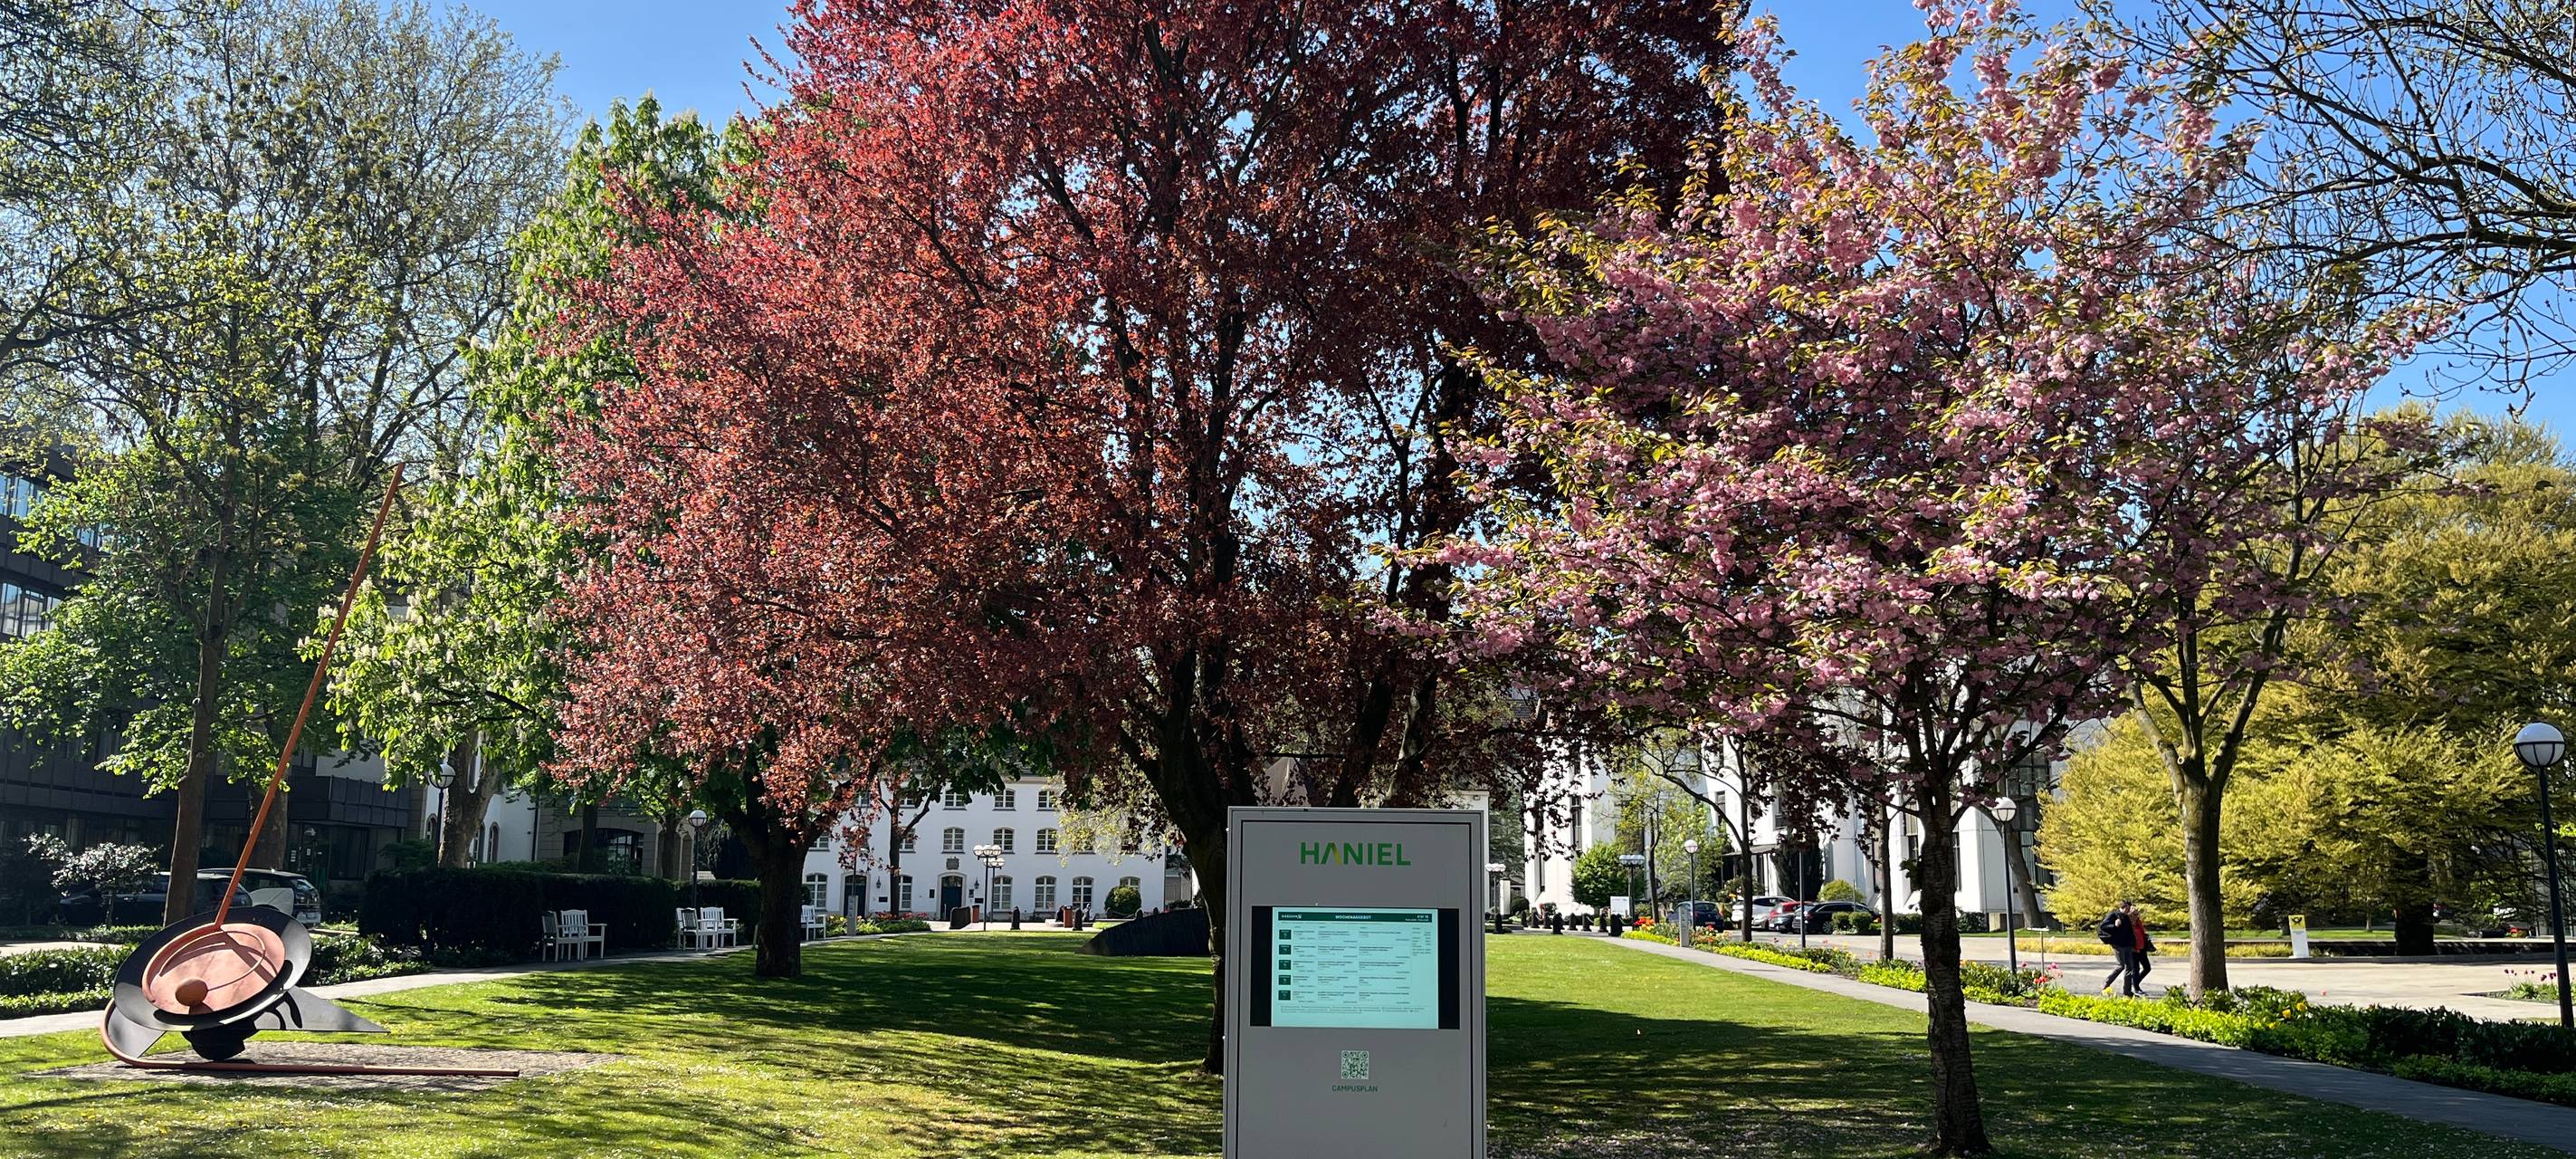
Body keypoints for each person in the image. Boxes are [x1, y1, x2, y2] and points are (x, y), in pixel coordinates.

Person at [2096, 901, 2140, 995]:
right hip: (2118, 945)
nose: (2128, 910)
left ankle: (2127, 991)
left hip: (2128, 945)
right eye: (2127, 908)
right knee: (2121, 966)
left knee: (2130, 968)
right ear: (2123, 907)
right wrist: (2114, 925)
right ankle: (2106, 983)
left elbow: (2130, 932)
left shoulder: (2126, 917)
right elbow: (2103, 926)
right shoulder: (2113, 915)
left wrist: (2133, 944)